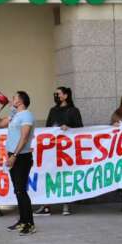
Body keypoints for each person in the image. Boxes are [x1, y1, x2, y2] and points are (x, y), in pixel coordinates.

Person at [0, 91, 37, 236]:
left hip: (21, 156)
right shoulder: (14, 115)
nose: (12, 99)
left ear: (21, 101)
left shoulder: (27, 115)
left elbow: (24, 138)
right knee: (17, 189)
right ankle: (23, 220)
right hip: (13, 155)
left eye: (15, 97)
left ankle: (29, 224)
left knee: (21, 190)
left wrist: (14, 156)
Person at [37, 86, 83, 217]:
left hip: (66, 150)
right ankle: (46, 205)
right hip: (52, 149)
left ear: (65, 95)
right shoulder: (53, 110)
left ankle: (66, 204)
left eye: (58, 94)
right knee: (49, 175)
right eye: (55, 94)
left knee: (65, 176)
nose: (56, 96)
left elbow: (80, 129)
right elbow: (47, 128)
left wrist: (68, 128)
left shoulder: (73, 111)